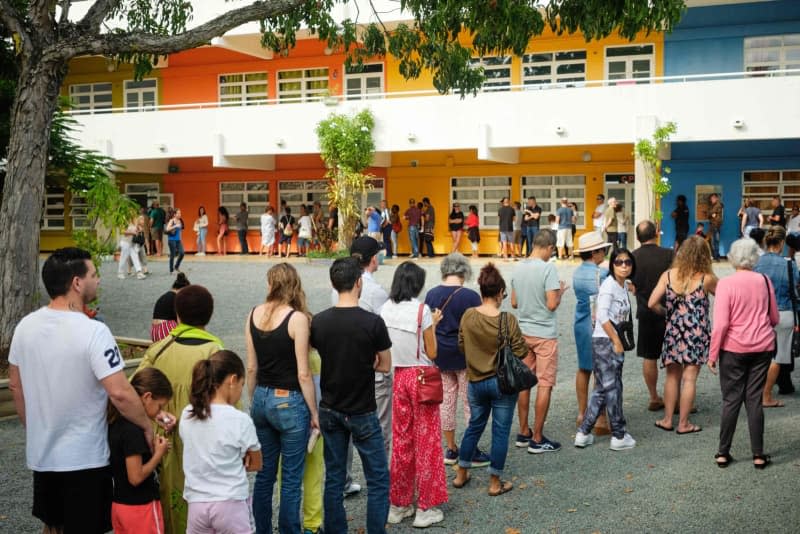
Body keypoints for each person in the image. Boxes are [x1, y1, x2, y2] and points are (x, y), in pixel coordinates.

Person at [9, 247, 155, 534]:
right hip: (85, 458)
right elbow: (120, 392)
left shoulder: (25, 327)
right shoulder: (94, 331)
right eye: (93, 274)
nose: (98, 280)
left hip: (43, 455)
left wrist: (34, 426)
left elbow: (15, 384)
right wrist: (146, 426)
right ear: (77, 283)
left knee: (53, 526)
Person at [311, 257, 392, 534]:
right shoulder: (373, 323)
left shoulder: (318, 322)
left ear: (333, 283)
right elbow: (385, 364)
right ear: (359, 283)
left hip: (330, 406)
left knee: (334, 477)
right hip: (363, 408)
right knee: (378, 478)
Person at [136, 284, 224, 534]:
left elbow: (136, 390)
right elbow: (229, 406)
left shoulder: (159, 349)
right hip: (205, 443)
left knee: (170, 499)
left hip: (165, 440)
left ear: (177, 315)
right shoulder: (215, 352)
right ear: (210, 314)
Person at [246, 263, 320, 533]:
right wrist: (314, 412)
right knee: (291, 478)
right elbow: (304, 373)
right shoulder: (297, 319)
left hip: (262, 398)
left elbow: (251, 367)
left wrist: (253, 399)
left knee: (264, 476)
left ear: (271, 284)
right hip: (289, 400)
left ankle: (261, 529)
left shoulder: (253, 314)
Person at [380, 263, 447, 528]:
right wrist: (434, 324)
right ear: (416, 285)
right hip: (421, 377)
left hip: (399, 376)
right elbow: (432, 352)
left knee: (402, 442)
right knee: (427, 442)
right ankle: (425, 507)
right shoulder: (422, 311)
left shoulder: (385, 309)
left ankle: (398, 503)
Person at [452, 263, 527, 496]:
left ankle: (461, 473)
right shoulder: (507, 320)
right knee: (501, 431)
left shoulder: (468, 315)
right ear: (500, 292)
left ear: (482, 290)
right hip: (502, 383)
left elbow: (461, 345)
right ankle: (494, 482)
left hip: (475, 381)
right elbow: (521, 351)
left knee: (474, 425)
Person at [708, 238, 779, 469]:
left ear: (731, 258)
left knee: (731, 399)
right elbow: (774, 318)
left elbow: (720, 325)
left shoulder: (726, 285)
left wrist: (712, 354)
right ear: (754, 258)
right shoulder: (764, 281)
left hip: (733, 348)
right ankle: (758, 454)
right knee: (754, 399)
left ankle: (722, 452)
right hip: (762, 347)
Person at [330, 236, 391, 497]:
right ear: (373, 259)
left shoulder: (338, 286)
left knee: (341, 432)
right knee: (379, 426)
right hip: (371, 366)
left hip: (343, 363)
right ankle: (382, 479)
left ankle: (343, 481)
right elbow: (383, 327)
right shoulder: (375, 291)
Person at [180, 351, 262, 533]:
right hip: (230, 502)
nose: (241, 392)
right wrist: (240, 459)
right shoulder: (240, 419)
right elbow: (256, 463)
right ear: (232, 380)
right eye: (241, 385)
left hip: (196, 504)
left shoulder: (187, 414)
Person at [649, 236, 718, 434]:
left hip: (673, 331)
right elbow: (726, 297)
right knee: (690, 378)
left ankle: (668, 419)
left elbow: (651, 303)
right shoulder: (707, 279)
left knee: (672, 376)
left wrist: (668, 314)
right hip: (697, 332)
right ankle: (684, 423)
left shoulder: (668, 275)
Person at [424, 254, 487, 466]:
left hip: (440, 353)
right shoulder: (470, 296)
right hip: (465, 354)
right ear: (463, 271)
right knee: (470, 402)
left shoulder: (431, 294)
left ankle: (450, 449)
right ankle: (472, 449)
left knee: (447, 402)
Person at [511, 229, 568, 454]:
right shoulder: (548, 268)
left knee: (524, 382)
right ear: (549, 247)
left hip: (523, 332)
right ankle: (537, 437)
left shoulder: (517, 267)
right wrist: (561, 292)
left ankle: (523, 431)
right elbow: (552, 304)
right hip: (544, 333)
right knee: (545, 383)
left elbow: (514, 302)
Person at [575, 248, 637, 451]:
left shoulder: (621, 285)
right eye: (619, 262)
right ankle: (619, 434)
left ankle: (584, 433)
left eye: (628, 262)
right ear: (612, 265)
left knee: (603, 388)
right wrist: (616, 340)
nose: (624, 265)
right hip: (605, 340)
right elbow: (601, 315)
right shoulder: (609, 285)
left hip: (607, 340)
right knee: (612, 387)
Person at [108, 368, 173, 534]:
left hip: (120, 506)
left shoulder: (118, 420)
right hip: (141, 508)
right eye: (159, 407)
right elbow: (135, 477)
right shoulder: (133, 431)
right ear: (147, 397)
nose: (160, 412)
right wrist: (158, 454)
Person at [754, 226, 799, 407]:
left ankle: (754, 392)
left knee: (759, 354)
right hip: (784, 312)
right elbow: (795, 288)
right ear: (781, 243)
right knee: (778, 356)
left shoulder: (756, 263)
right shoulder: (789, 264)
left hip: (760, 313)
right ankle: (766, 396)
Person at [631, 220, 673, 411]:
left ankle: (654, 397)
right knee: (674, 356)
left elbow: (630, 285)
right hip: (670, 311)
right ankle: (676, 397)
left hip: (645, 312)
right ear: (656, 234)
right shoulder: (669, 254)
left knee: (649, 357)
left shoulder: (632, 257)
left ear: (638, 237)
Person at [572, 232, 611, 431]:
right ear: (594, 252)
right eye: (602, 249)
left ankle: (582, 412)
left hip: (581, 322)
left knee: (583, 367)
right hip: (598, 325)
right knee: (601, 370)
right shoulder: (602, 274)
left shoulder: (577, 273)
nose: (604, 252)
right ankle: (601, 417)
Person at [151, 273, 191, 342]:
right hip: (167, 331)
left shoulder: (164, 296)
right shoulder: (177, 298)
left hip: (155, 332)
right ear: (183, 289)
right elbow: (180, 321)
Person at [165, 208, 185, 275]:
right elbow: (167, 229)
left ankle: (176, 266)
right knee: (172, 255)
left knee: (182, 253)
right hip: (171, 240)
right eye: (178, 213)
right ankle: (171, 270)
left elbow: (180, 231)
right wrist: (175, 226)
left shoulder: (180, 221)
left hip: (178, 240)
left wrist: (181, 239)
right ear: (174, 214)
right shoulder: (172, 220)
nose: (180, 214)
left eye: (180, 213)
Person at [708, 193, 724, 260]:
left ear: (716, 198)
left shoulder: (718, 205)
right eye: (711, 199)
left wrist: (711, 213)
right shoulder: (712, 205)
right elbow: (709, 214)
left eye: (713, 198)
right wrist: (711, 214)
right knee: (713, 241)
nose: (711, 200)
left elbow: (711, 213)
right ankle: (715, 255)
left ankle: (716, 256)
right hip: (713, 225)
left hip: (716, 225)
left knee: (716, 241)